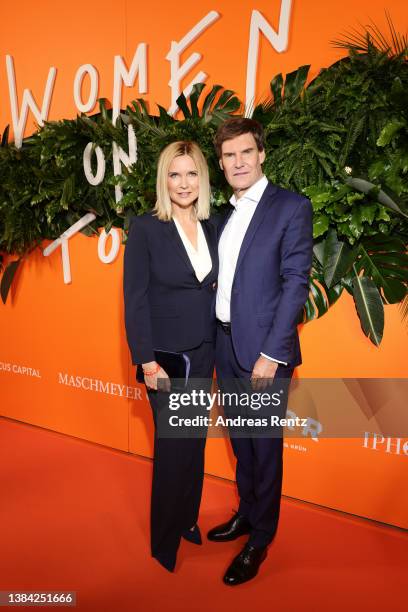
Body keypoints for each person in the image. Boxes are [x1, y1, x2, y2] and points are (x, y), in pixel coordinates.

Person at [208, 118, 313, 585]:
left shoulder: (291, 207)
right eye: (229, 156)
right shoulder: (224, 215)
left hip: (264, 353)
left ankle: (260, 539)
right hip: (224, 344)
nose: (238, 162)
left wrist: (273, 354)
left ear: (261, 154)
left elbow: (296, 284)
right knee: (242, 445)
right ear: (222, 163)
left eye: (245, 152)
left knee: (265, 450)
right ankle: (247, 514)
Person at [123, 141, 218, 572]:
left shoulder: (214, 223)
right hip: (165, 360)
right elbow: (135, 300)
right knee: (172, 449)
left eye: (191, 173)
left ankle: (186, 520)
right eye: (175, 175)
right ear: (164, 180)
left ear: (202, 177)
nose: (183, 183)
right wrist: (147, 362)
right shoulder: (145, 228)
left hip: (204, 352)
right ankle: (164, 540)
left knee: (194, 444)